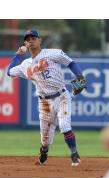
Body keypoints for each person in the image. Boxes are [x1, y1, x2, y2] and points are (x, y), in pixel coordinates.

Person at [6, 29, 86, 166]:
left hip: (62, 96)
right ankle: (44, 150)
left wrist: (80, 77)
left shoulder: (53, 53)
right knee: (45, 139)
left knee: (64, 125)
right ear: (25, 43)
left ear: (39, 40)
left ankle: (74, 154)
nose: (30, 40)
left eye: (33, 38)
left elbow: (71, 63)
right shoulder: (25, 65)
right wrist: (18, 55)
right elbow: (9, 72)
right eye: (28, 39)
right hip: (44, 102)